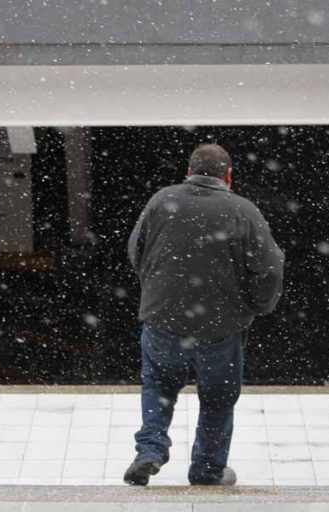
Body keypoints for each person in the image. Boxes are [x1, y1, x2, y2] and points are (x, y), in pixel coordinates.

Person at [124, 143, 284, 486]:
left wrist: (157, 288)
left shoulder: (161, 201)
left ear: (189, 172)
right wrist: (257, 306)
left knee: (158, 384)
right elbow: (270, 269)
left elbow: (136, 251)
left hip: (162, 319)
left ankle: (150, 450)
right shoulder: (243, 210)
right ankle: (207, 470)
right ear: (229, 176)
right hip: (221, 327)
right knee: (218, 399)